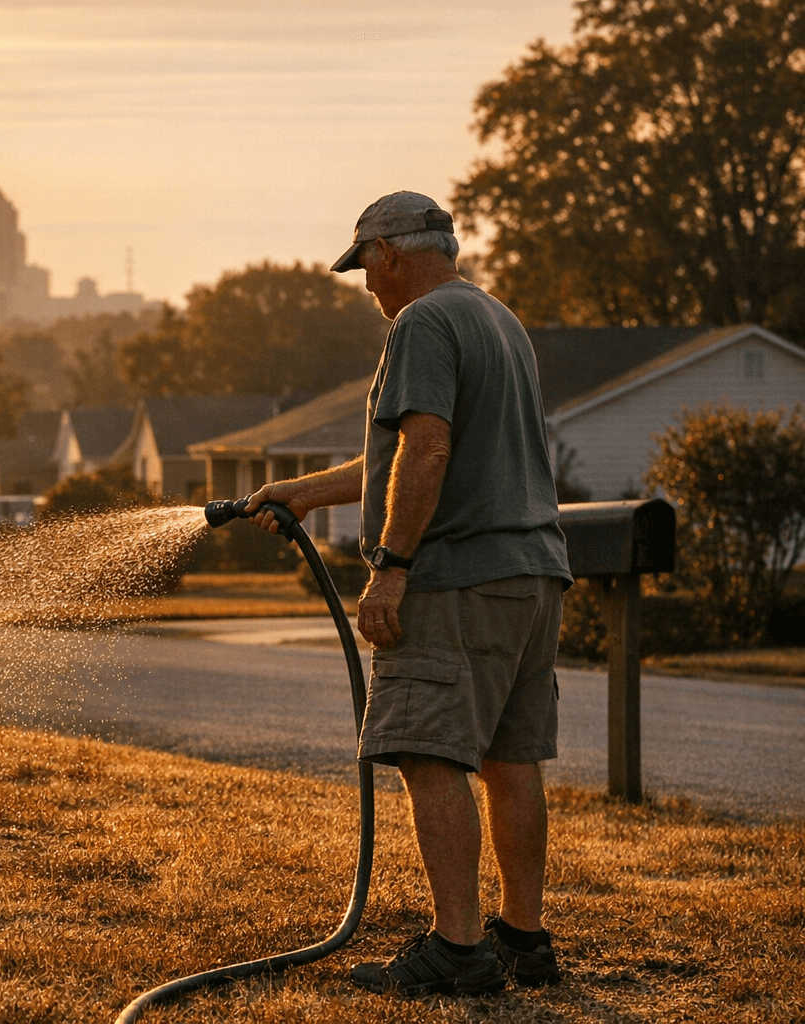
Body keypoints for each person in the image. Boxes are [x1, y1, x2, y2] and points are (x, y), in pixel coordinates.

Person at [246, 191, 572, 996]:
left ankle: (458, 951)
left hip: (457, 577)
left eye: (365, 267)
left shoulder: (421, 324)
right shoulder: (497, 319)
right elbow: (413, 452)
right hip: (531, 570)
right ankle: (522, 940)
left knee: (429, 752)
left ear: (391, 253)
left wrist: (391, 566)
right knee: (510, 755)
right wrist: (307, 492)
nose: (365, 287)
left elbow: (426, 449)